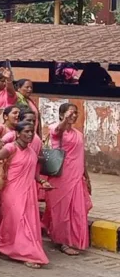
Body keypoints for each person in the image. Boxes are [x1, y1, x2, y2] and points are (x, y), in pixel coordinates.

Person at [0, 122, 50, 268]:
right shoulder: (11, 147)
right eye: (27, 131)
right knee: (18, 220)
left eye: (32, 132)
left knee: (27, 222)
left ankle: (4, 246)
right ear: (18, 133)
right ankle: (27, 253)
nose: (30, 134)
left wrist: (42, 182)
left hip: (29, 191)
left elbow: (34, 173)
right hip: (12, 191)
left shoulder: (31, 152)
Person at [44, 103, 93, 256]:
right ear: (61, 115)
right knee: (62, 211)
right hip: (62, 177)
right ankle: (62, 242)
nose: (74, 115)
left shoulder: (78, 134)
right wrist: (65, 120)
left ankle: (74, 239)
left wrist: (87, 176)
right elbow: (59, 130)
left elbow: (81, 156)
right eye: (70, 113)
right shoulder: (55, 130)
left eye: (75, 113)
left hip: (77, 177)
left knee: (79, 210)